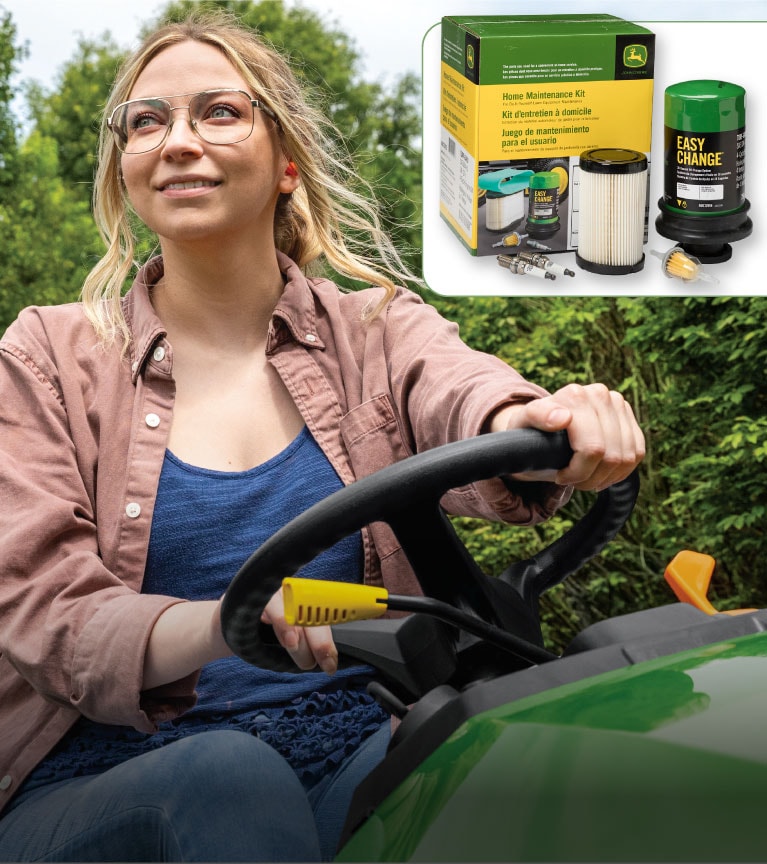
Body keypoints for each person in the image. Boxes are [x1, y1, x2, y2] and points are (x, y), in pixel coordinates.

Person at [0, 10, 644, 862]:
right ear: (125, 172)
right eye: (146, 122)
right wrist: (229, 619)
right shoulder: (44, 355)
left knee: (512, 753)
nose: (177, 141)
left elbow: (457, 387)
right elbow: (47, 613)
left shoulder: (374, 329)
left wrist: (530, 422)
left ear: (287, 165)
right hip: (99, 770)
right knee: (230, 778)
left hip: (351, 737)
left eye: (219, 112)